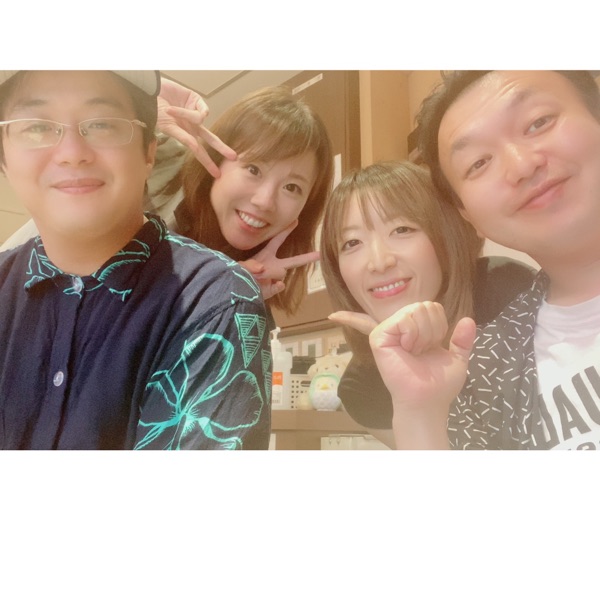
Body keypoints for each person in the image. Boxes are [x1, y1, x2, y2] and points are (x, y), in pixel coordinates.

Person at [0, 70, 271, 450]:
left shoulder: (212, 301)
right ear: (4, 158)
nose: (72, 152)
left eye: (102, 124)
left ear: (149, 152)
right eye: (37, 127)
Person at [339, 70, 600, 450]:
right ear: (466, 213)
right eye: (478, 163)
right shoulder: (487, 365)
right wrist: (420, 413)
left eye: (538, 122)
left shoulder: (502, 287)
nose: (521, 165)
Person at [2, 80, 334, 315]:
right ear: (215, 159)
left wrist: (231, 294)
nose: (265, 200)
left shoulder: (256, 277)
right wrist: (142, 110)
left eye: (292, 187)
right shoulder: (162, 170)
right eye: (253, 169)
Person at [322, 161, 535, 448]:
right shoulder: (362, 389)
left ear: (445, 234)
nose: (379, 262)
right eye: (351, 243)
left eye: (402, 229)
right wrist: (417, 404)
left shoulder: (506, 293)